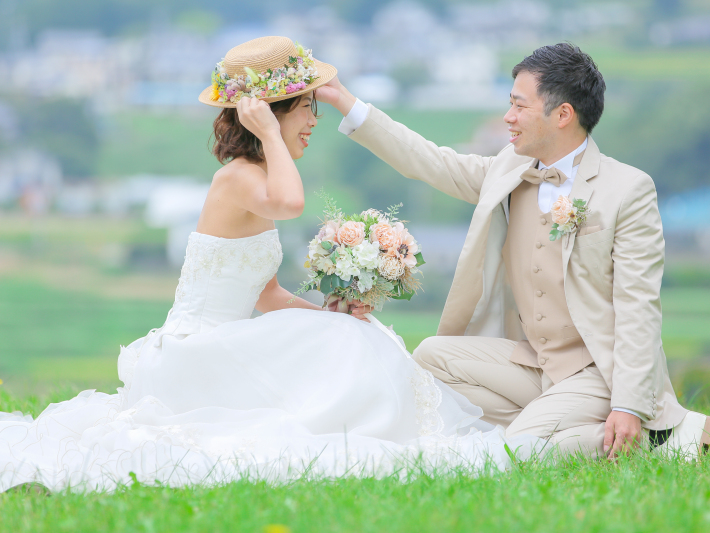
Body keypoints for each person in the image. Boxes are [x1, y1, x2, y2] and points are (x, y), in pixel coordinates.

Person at [0, 37, 543, 494]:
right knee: (345, 350)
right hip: (197, 348)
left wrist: (327, 313)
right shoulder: (239, 175)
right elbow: (291, 203)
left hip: (230, 338)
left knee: (354, 335)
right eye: (306, 108)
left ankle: (379, 425)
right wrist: (264, 133)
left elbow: (267, 295)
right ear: (271, 111)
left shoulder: (256, 173)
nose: (314, 121)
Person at [315, 42, 710, 460]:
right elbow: (430, 162)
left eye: (519, 106)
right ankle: (561, 427)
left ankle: (653, 439)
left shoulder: (628, 189)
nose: (508, 117)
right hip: (535, 365)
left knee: (509, 454)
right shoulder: (508, 168)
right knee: (431, 356)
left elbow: (639, 308)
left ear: (563, 115)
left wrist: (628, 405)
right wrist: (345, 102)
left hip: (599, 372)